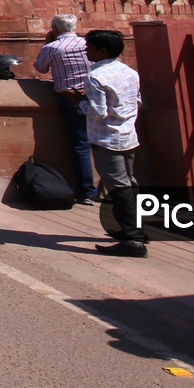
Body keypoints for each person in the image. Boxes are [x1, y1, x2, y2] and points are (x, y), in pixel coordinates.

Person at [64, 30, 147, 257]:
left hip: (106, 138)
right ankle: (135, 229)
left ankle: (134, 240)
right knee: (129, 182)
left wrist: (79, 101)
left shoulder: (95, 77)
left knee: (119, 188)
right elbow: (136, 101)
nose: (86, 52)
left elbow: (99, 113)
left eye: (90, 48)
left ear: (102, 50)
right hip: (128, 135)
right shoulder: (129, 72)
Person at [33, 13, 95, 204]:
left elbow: (41, 68)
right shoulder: (89, 44)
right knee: (103, 142)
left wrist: (46, 43)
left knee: (80, 144)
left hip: (69, 99)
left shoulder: (52, 47)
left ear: (54, 29)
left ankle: (87, 192)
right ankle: (117, 190)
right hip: (95, 94)